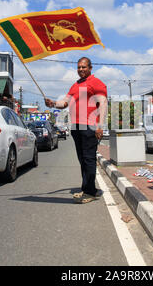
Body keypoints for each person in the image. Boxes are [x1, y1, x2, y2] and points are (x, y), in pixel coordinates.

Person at [45, 57, 108, 204]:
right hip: (76, 127)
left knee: (89, 159)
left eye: (84, 67)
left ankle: (90, 192)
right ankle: (87, 188)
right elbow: (64, 103)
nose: (81, 70)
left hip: (90, 126)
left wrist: (100, 126)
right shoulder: (75, 85)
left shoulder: (96, 83)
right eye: (79, 67)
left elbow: (103, 104)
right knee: (83, 160)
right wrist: (53, 103)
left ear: (90, 68)